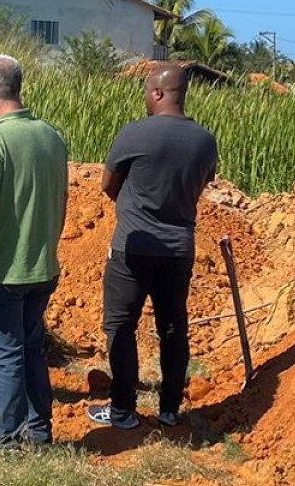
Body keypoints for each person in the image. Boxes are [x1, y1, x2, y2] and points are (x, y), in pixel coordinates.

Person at [88, 63, 219, 430]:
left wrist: (134, 208)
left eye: (147, 91)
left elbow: (108, 185)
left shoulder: (135, 134)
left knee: (120, 325)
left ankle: (123, 410)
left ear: (158, 93)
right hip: (179, 249)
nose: (145, 98)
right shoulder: (205, 139)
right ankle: (170, 409)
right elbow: (199, 185)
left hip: (134, 246)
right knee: (173, 327)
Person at [0, 54, 69, 449]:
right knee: (32, 348)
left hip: (4, 270)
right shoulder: (52, 135)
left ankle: (7, 438)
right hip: (42, 268)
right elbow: (62, 200)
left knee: (6, 355)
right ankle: (39, 431)